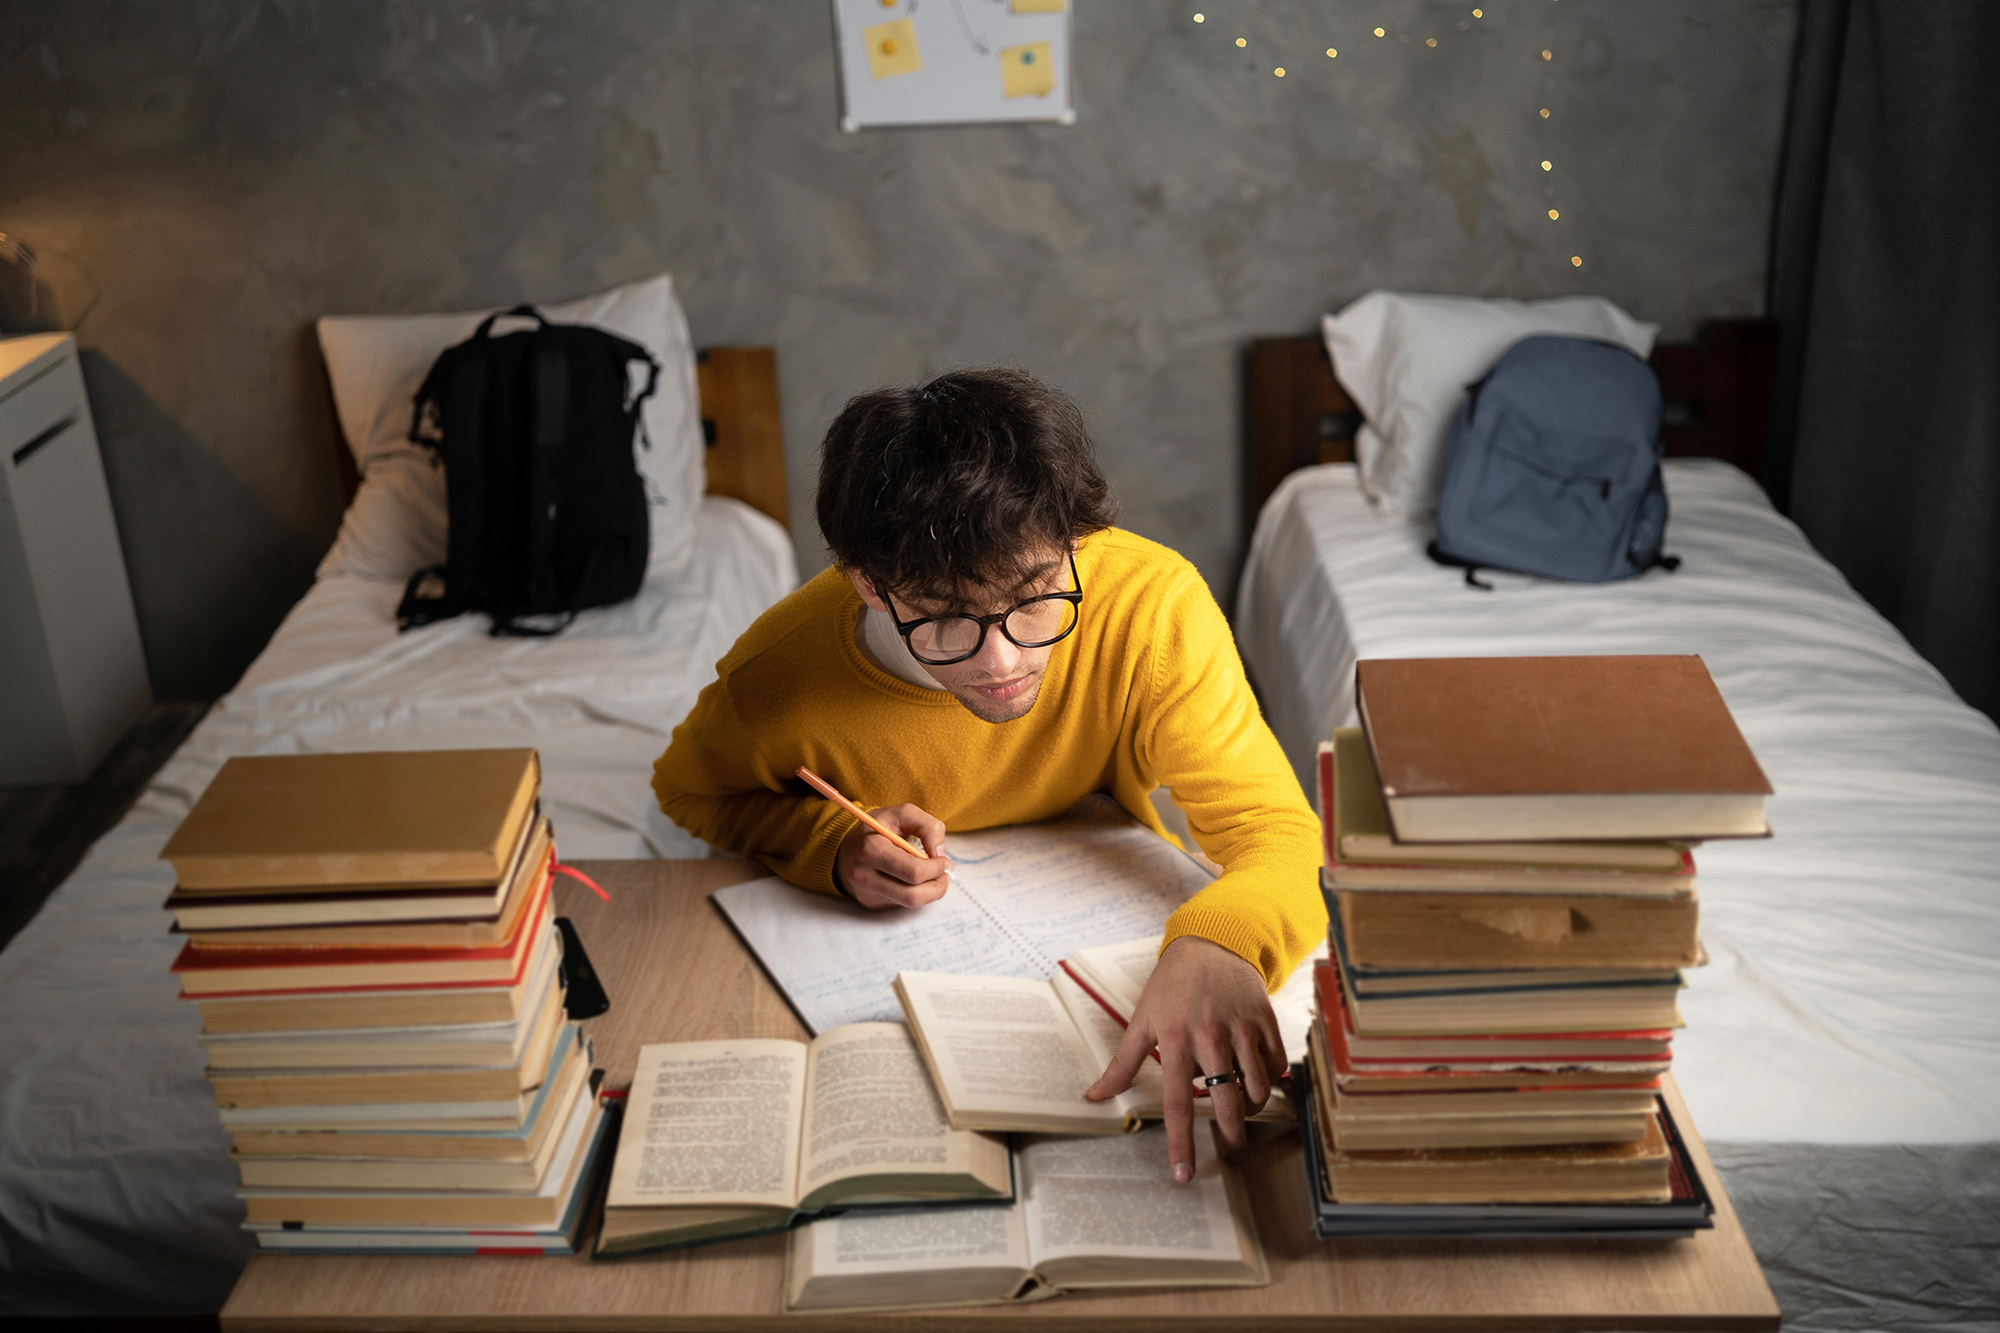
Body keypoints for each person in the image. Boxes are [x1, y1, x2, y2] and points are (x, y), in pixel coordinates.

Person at [652, 368, 1324, 1182]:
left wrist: (1222, 944)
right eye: (942, 618)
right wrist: (824, 842)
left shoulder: (1153, 607)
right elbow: (687, 791)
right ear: (866, 583)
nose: (1003, 662)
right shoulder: (774, 677)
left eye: (1037, 598)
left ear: (1076, 543)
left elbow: (1281, 833)